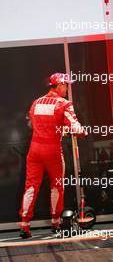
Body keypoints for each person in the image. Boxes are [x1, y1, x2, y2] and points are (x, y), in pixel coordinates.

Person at [19, 72, 87, 238]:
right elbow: (74, 125)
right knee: (57, 187)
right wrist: (81, 132)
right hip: (52, 151)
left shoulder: (36, 102)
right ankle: (56, 222)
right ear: (60, 85)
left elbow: (34, 124)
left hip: (34, 150)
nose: (67, 89)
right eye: (66, 85)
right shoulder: (63, 103)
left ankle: (25, 225)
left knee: (30, 186)